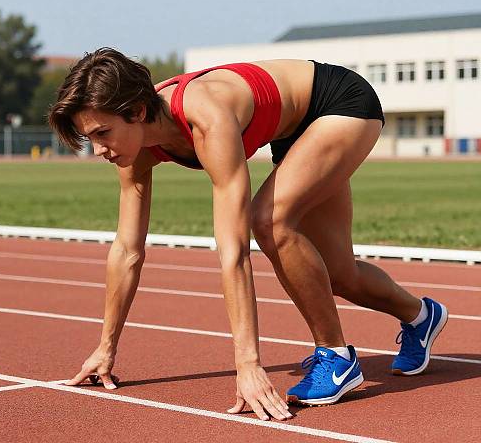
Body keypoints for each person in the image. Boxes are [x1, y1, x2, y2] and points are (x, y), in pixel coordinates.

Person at [48, 48, 448, 419]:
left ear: (136, 111)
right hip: (293, 131)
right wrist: (106, 346)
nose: (98, 150)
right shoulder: (133, 148)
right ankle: (421, 315)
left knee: (268, 220)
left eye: (102, 133)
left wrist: (249, 364)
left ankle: (336, 357)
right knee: (338, 275)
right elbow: (127, 250)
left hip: (339, 104)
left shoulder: (206, 117)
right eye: (90, 138)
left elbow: (234, 252)